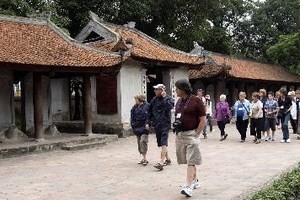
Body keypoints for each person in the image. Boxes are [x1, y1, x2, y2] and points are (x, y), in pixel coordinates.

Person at [174, 79, 206, 197]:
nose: (176, 90)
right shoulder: (178, 101)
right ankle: (195, 180)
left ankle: (188, 186)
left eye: (177, 88)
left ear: (183, 89)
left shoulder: (196, 101)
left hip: (191, 134)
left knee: (191, 161)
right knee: (187, 160)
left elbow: (203, 119)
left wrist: (197, 133)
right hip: (180, 135)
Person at [148, 83, 174, 170]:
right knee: (160, 143)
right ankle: (168, 159)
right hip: (157, 124)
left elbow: (170, 106)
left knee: (163, 142)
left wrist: (164, 98)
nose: (155, 91)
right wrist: (149, 122)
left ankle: (161, 162)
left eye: (157, 89)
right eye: (155, 89)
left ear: (162, 90)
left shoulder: (169, 98)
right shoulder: (154, 100)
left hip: (165, 124)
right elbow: (150, 111)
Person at [130, 95, 150, 165]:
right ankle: (143, 157)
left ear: (140, 100)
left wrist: (148, 123)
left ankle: (144, 158)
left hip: (144, 127)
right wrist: (133, 125)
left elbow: (149, 116)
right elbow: (132, 117)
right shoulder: (134, 108)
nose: (135, 101)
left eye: (136, 99)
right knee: (139, 143)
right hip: (137, 127)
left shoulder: (147, 106)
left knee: (143, 141)